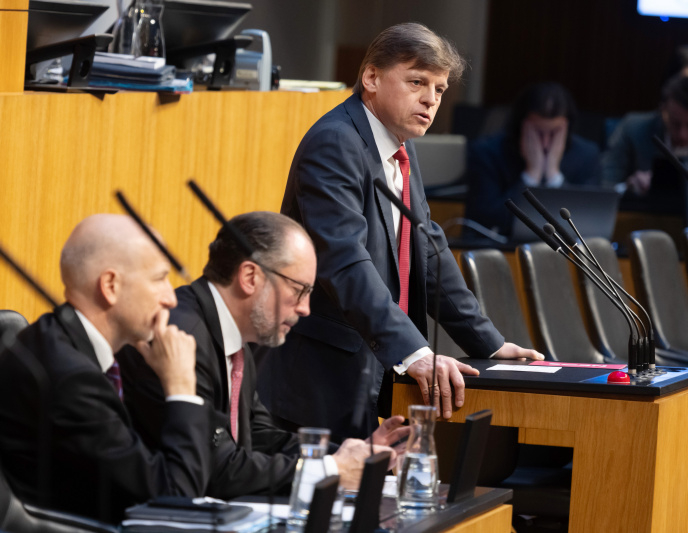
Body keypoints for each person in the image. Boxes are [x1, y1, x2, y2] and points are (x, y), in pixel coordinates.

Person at [256, 23, 543, 441]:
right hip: (323, 374)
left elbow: (429, 252)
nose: (430, 99)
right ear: (371, 78)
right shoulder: (335, 143)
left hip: (368, 366)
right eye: (416, 82)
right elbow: (344, 261)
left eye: (440, 90)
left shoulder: (398, 147)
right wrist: (414, 352)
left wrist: (490, 345)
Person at [118, 211, 404, 499]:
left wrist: (351, 457)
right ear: (250, 277)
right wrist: (331, 469)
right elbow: (216, 468)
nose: (305, 309)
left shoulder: (233, 332)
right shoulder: (181, 335)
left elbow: (259, 436)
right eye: (299, 290)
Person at [0, 214, 211, 523]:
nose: (171, 298)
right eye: (159, 279)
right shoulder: (72, 380)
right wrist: (181, 387)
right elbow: (172, 502)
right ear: (110, 285)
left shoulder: (60, 340)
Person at [464, 82, 601, 236]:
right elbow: (485, 220)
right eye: (538, 132)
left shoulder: (587, 155)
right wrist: (531, 176)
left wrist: (554, 177)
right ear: (521, 124)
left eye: (554, 133)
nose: (545, 143)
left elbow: (585, 224)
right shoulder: (486, 153)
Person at [601, 74, 688, 198]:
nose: (683, 135)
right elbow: (605, 186)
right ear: (663, 110)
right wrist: (628, 187)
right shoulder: (634, 128)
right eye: (675, 124)